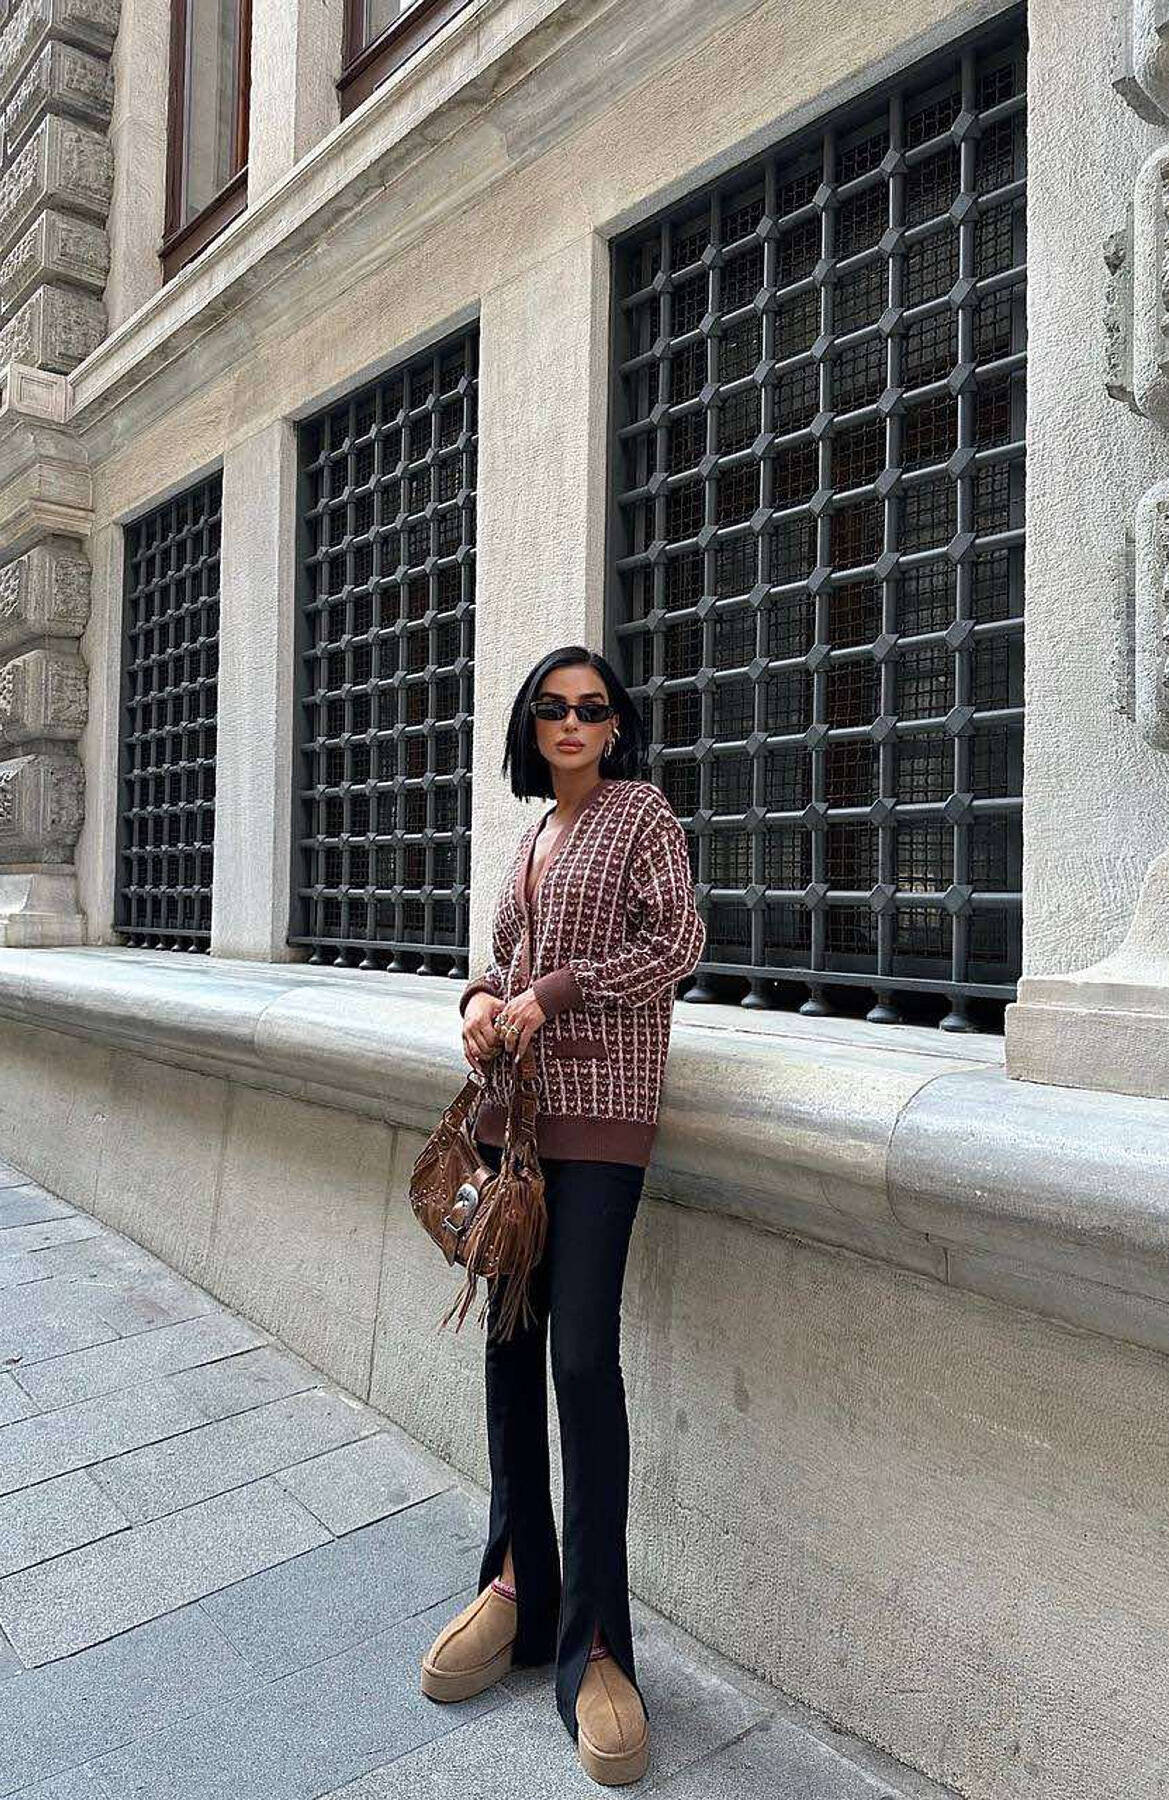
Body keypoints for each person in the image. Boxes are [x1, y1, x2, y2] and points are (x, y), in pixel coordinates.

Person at [418, 644, 706, 1787]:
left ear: (616, 724)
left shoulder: (642, 815)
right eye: (553, 707)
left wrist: (553, 993)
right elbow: (502, 960)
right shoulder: (533, 836)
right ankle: (514, 1588)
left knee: (582, 1363)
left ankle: (594, 1643)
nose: (573, 721)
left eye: (593, 707)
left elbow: (676, 945)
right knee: (508, 1348)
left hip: (604, 1120)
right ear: (532, 727)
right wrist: (481, 999)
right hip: (514, 1125)